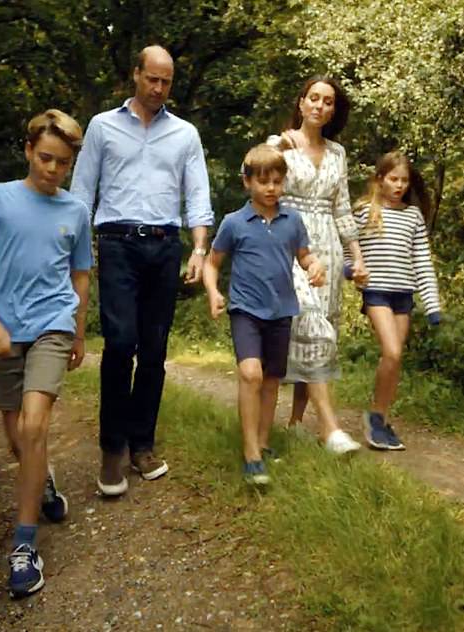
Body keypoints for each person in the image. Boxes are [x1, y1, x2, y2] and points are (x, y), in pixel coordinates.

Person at [0, 109, 93, 598]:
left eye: (62, 163)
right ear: (28, 150)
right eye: (45, 158)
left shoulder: (75, 211)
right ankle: (46, 482)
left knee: (35, 426)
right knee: (18, 438)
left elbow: (80, 277)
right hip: (4, 329)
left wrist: (77, 333)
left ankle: (23, 544)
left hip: (53, 324)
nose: (53, 170)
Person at [70, 45, 213, 495]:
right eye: (151, 79)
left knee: (153, 349)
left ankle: (142, 443)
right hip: (116, 244)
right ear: (136, 75)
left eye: (166, 81)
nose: (158, 88)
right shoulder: (102, 127)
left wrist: (199, 248)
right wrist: (74, 253)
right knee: (119, 343)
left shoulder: (185, 134)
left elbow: (198, 195)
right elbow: (80, 194)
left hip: (165, 246)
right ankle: (112, 449)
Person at [203, 144, 326, 485]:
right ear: (248, 183)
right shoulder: (234, 223)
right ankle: (250, 454)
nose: (271, 188)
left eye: (277, 180)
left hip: (281, 310)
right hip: (245, 310)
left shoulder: (292, 221)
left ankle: (263, 441)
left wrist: (316, 267)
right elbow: (213, 264)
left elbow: (305, 257)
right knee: (251, 374)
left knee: (271, 380)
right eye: (263, 181)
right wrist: (214, 292)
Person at [267, 75, 368, 454]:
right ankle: (329, 429)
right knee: (311, 325)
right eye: (314, 98)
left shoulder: (338, 153)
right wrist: (278, 143)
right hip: (290, 244)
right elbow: (255, 169)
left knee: (322, 333)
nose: (320, 106)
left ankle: (295, 423)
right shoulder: (281, 145)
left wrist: (356, 256)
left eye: (328, 101)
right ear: (301, 102)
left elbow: (342, 208)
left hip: (328, 248)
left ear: (333, 110)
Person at [352, 150, 441, 450]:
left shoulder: (413, 215)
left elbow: (422, 262)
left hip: (403, 294)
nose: (399, 185)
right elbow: (346, 247)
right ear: (380, 179)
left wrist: (432, 304)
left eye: (404, 180)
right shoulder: (365, 211)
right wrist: (350, 271)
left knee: (395, 357)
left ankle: (379, 417)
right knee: (390, 351)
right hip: (376, 291)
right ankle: (375, 419)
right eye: (393, 179)